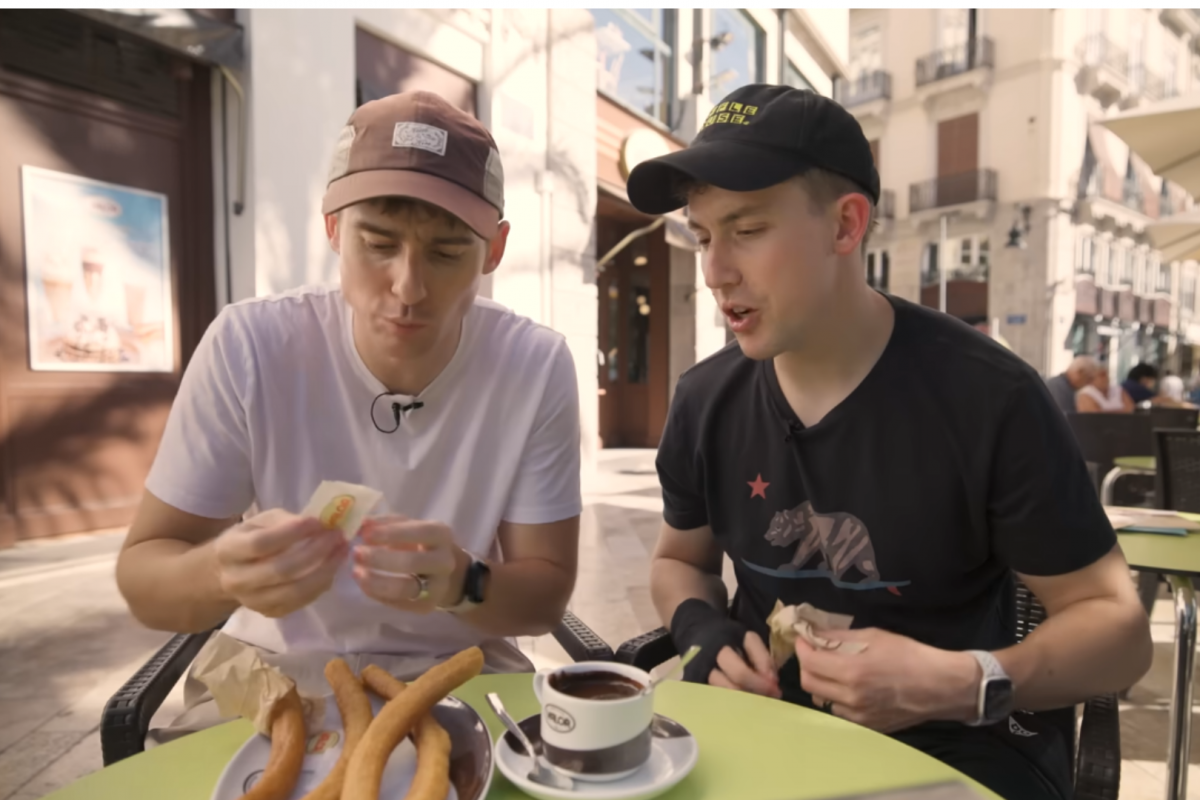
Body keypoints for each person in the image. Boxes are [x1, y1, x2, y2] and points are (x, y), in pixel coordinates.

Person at [625, 84, 1151, 800]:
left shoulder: (989, 398)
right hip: (756, 732)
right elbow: (678, 561)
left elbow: (1120, 633)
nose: (716, 272)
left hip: (955, 748)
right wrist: (699, 629)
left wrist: (965, 682)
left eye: (747, 230)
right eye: (704, 236)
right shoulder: (703, 400)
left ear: (846, 225)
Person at [115, 91, 582, 736]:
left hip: (457, 670)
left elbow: (545, 598)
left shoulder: (533, 365)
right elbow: (144, 578)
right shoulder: (251, 345)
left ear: (494, 250)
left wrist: (464, 582)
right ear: (334, 227)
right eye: (378, 243)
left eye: (447, 252)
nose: (408, 288)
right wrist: (222, 571)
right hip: (273, 669)